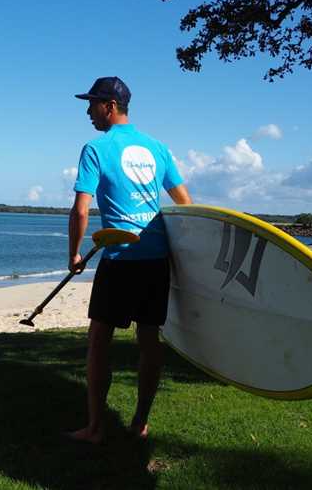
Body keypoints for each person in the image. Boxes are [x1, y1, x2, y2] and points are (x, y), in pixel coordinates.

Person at [66, 77, 192, 444]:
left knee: (99, 339)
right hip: (155, 256)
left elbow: (81, 209)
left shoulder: (96, 148)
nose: (88, 111)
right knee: (149, 339)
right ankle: (140, 422)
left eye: (92, 104)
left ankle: (94, 428)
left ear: (109, 106)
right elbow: (185, 202)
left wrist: (74, 253)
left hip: (120, 257)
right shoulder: (157, 147)